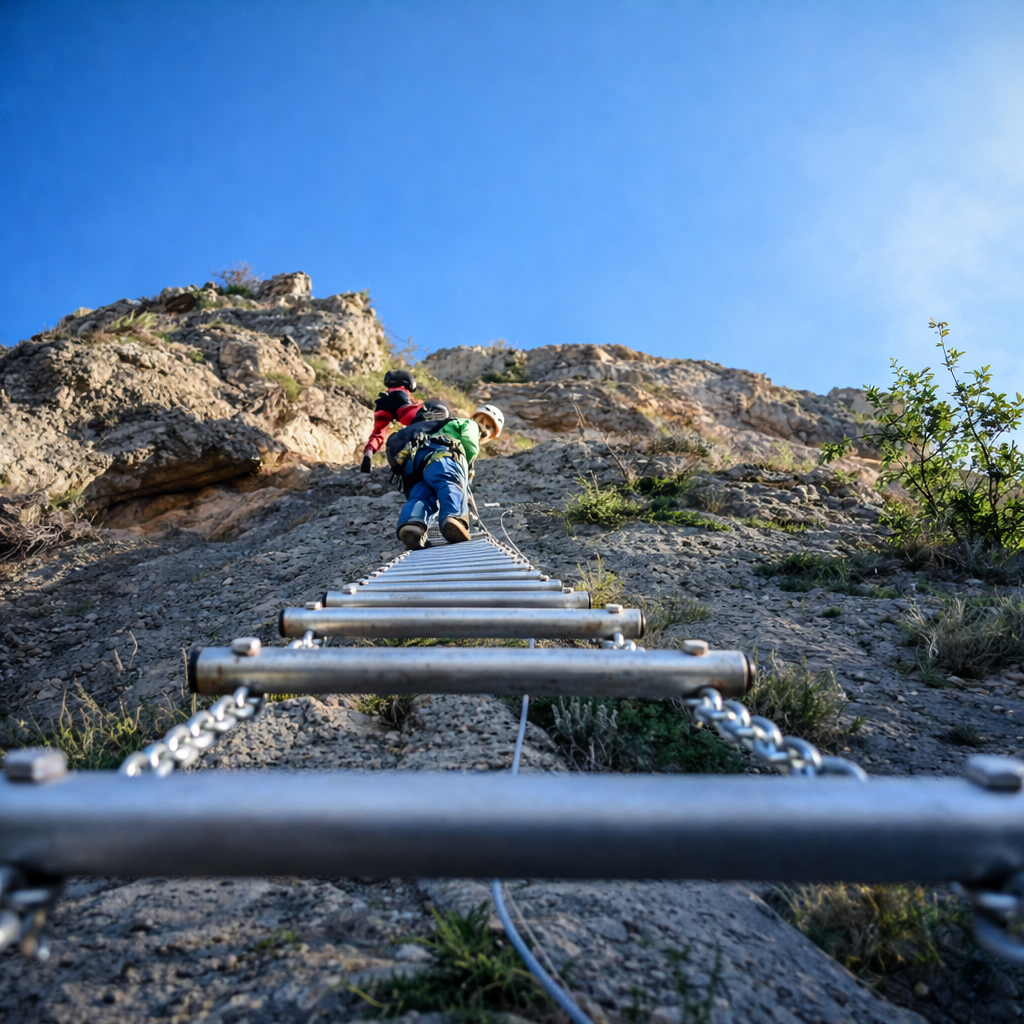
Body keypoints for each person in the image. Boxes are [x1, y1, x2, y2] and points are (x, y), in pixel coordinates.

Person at [387, 401, 505, 548]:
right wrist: (466, 470)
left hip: (414, 463)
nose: (484, 429)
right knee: (450, 482)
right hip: (441, 454)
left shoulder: (435, 427)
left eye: (489, 428)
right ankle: (454, 517)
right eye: (486, 426)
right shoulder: (469, 424)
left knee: (422, 494)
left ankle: (413, 524)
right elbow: (470, 445)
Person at [360, 369, 422, 473]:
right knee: (415, 418)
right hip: (401, 401)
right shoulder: (404, 391)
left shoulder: (388, 393)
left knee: (378, 433)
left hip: (383, 401)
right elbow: (415, 410)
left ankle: (368, 453)